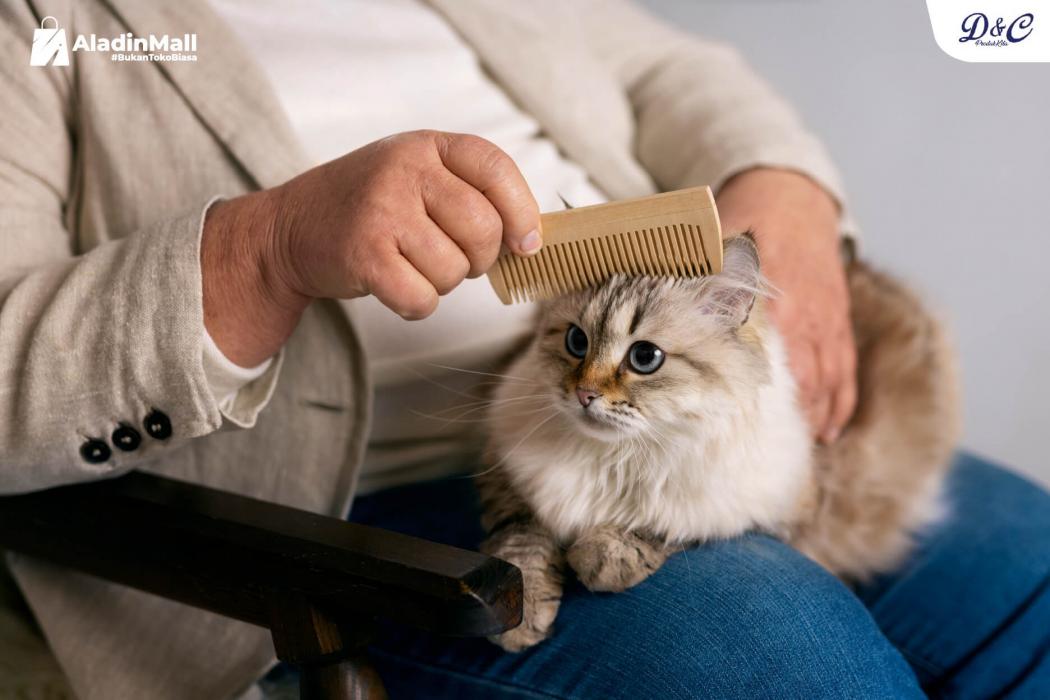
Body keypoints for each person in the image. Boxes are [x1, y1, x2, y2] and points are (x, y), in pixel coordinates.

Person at [0, 1, 1046, 698]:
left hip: (683, 409)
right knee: (783, 658)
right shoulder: (52, 30)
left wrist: (785, 188)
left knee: (1032, 561)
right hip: (359, 514)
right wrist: (263, 251)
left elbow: (670, 68)